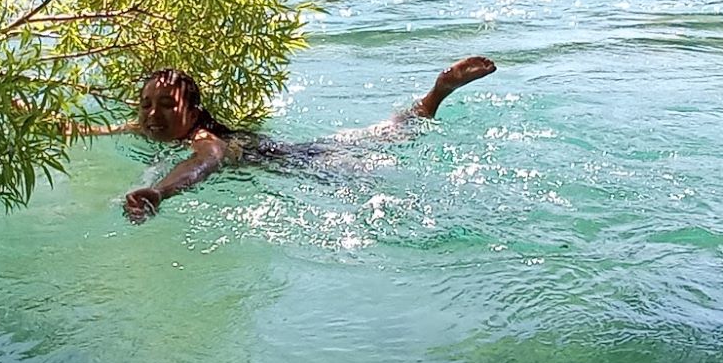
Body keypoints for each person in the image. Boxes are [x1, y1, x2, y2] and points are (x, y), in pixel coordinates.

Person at [92, 56, 496, 222]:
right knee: (377, 135)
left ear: (193, 113)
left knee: (385, 142)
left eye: (166, 104)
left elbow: (204, 162)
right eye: (146, 104)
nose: (151, 114)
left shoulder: (204, 139)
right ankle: (434, 94)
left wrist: (161, 192)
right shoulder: (145, 127)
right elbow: (90, 129)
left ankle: (437, 93)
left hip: (297, 162)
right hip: (294, 149)